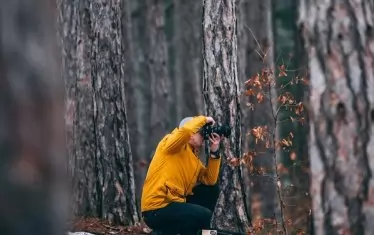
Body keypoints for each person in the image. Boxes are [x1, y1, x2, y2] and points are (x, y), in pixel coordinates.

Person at [141, 115, 223, 235]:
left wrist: (214, 151)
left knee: (211, 189)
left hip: (175, 205)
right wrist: (204, 120)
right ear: (191, 133)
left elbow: (210, 179)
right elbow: (185, 131)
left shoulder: (193, 160)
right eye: (201, 132)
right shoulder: (169, 144)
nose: (204, 136)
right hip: (156, 209)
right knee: (204, 215)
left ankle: (182, 231)